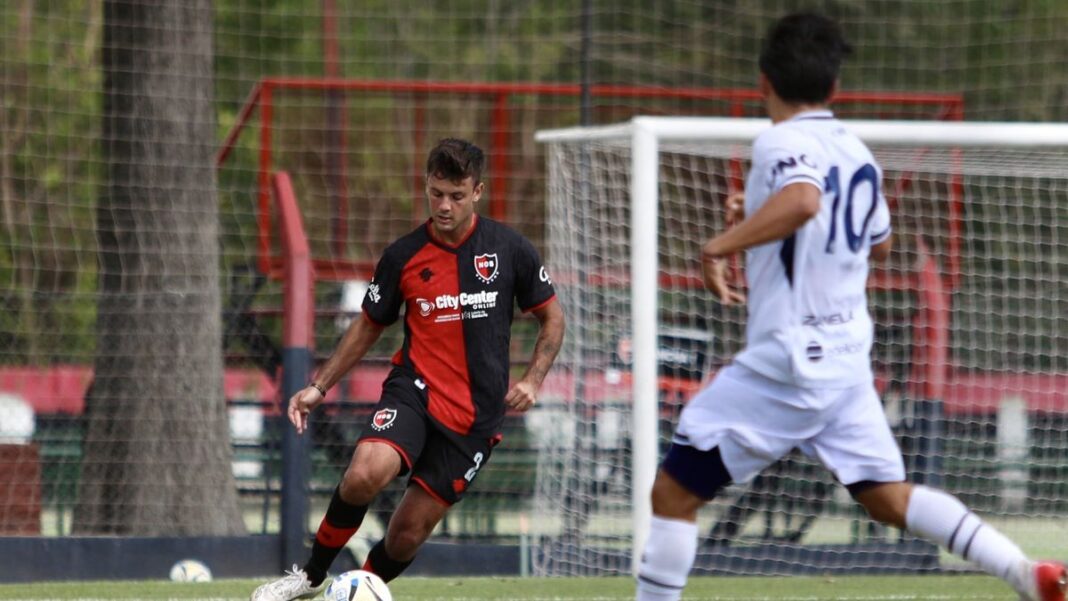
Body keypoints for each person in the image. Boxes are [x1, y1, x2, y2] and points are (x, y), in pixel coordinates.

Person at [635, 12, 1065, 601]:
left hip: (787, 365)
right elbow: (876, 238)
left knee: (673, 495)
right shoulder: (855, 149)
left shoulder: (780, 139)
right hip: (844, 360)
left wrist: (718, 244)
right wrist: (760, 210)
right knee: (888, 498)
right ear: (835, 88)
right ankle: (1023, 571)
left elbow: (805, 201)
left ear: (763, 81)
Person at [252, 138, 565, 600]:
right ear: (426, 186)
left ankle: (358, 589)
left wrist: (533, 379)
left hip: (475, 419)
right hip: (414, 391)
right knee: (363, 473)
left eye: (456, 196)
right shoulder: (402, 257)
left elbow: (552, 317)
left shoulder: (510, 250)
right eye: (436, 193)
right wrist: (319, 385)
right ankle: (311, 578)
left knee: (406, 534)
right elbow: (367, 327)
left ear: (477, 192)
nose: (444, 205)